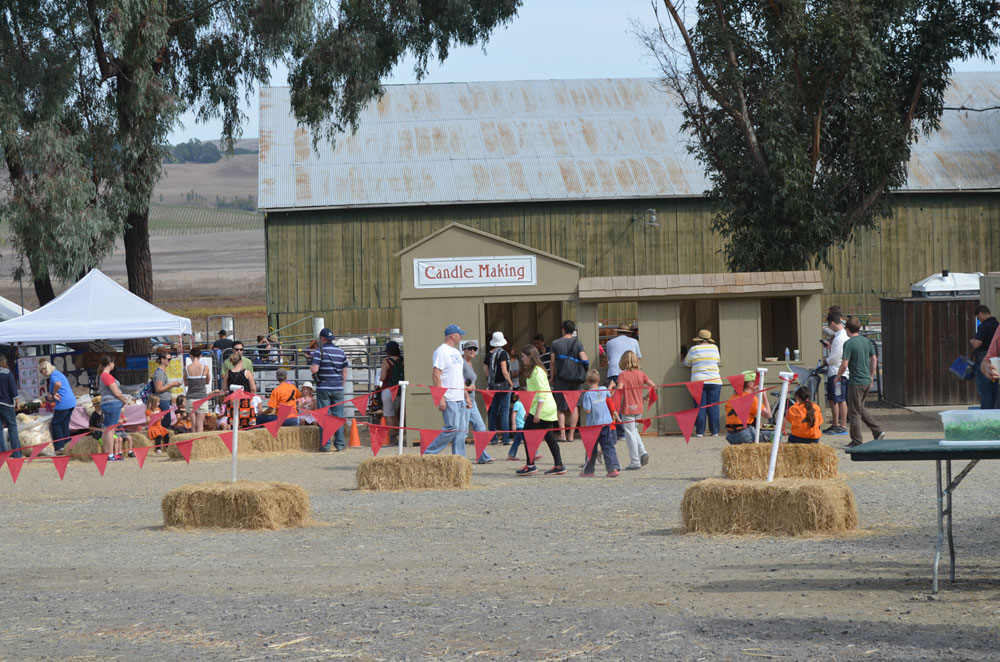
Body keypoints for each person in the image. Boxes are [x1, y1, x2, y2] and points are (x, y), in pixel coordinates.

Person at [516, 344, 565, 475]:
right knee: (549, 437)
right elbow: (534, 393)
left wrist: (537, 413)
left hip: (543, 409)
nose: (522, 359)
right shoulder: (536, 371)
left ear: (530, 357)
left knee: (527, 434)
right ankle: (559, 465)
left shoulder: (537, 372)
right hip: (543, 408)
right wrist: (529, 411)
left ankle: (530, 465)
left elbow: (541, 392)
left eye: (523, 356)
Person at [836, 316, 885, 447]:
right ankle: (877, 431)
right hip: (866, 380)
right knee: (860, 408)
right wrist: (871, 376)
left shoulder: (849, 343)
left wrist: (837, 377)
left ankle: (857, 440)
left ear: (847, 329)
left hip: (856, 381)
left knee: (854, 412)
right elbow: (874, 359)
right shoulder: (866, 341)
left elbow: (844, 364)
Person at [424, 324, 472, 457]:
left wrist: (466, 396)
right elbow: (436, 375)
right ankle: (429, 454)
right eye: (459, 334)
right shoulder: (441, 351)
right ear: (452, 336)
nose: (461, 336)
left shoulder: (456, 352)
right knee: (451, 427)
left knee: (461, 431)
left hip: (460, 397)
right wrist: (440, 398)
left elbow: (459, 377)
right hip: (449, 397)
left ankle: (459, 460)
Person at [613, 350, 655, 470]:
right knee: (634, 431)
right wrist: (646, 397)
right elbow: (654, 386)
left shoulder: (623, 375)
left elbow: (619, 390)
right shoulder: (641, 374)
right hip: (639, 408)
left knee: (630, 434)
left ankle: (635, 461)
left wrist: (613, 397)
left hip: (628, 409)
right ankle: (643, 452)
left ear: (623, 361)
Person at [549, 320, 588, 443]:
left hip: (561, 379)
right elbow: (585, 359)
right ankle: (571, 435)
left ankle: (562, 435)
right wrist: (582, 371)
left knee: (561, 407)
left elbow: (552, 362)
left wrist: (552, 377)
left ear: (563, 329)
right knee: (574, 406)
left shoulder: (555, 343)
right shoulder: (578, 343)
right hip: (576, 379)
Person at [311, 328, 349, 451]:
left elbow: (314, 369)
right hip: (338, 387)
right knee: (338, 417)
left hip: (324, 388)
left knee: (324, 417)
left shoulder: (319, 351)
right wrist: (341, 385)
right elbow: (345, 371)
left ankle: (326, 445)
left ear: (322, 338)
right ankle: (340, 444)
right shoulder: (341, 352)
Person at [580, 369, 621, 477]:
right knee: (608, 446)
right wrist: (611, 386)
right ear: (598, 380)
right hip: (605, 424)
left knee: (591, 448)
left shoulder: (588, 394)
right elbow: (608, 394)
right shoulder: (603, 389)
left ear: (588, 381)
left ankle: (589, 471)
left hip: (593, 426)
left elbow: (587, 410)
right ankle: (613, 468)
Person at [683, 329, 722, 437]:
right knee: (713, 406)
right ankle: (715, 431)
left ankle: (700, 432)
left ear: (699, 339)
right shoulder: (714, 348)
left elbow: (687, 363)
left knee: (699, 406)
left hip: (698, 381)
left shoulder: (694, 349)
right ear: (709, 340)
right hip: (714, 380)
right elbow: (718, 361)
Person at [605, 323, 641, 441]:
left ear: (617, 332)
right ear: (628, 333)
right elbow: (638, 357)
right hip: (630, 372)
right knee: (630, 399)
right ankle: (631, 428)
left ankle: (620, 432)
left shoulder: (610, 343)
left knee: (616, 402)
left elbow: (609, 358)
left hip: (614, 371)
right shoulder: (634, 342)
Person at [461, 341, 493, 463]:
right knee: (463, 431)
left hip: (471, 401)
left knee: (481, 428)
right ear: (464, 350)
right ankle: (461, 459)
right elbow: (459, 382)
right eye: (469, 348)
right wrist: (467, 396)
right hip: (466, 400)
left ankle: (482, 456)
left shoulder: (469, 364)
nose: (472, 351)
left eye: (474, 349)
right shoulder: (462, 363)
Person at [724, 371, 773, 445]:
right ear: (750, 385)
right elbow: (769, 415)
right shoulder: (751, 398)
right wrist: (764, 396)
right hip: (744, 434)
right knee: (775, 434)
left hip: (730, 435)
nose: (759, 384)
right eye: (757, 381)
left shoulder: (732, 397)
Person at [38, 360, 75, 454]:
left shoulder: (53, 376)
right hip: (70, 401)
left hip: (63, 403)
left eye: (41, 371)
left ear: (45, 369)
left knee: (55, 423)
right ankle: (68, 446)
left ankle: (60, 447)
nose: (41, 373)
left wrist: (54, 393)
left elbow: (58, 384)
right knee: (64, 425)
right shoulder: (57, 373)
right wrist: (52, 394)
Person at [484, 331, 514, 445]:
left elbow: (486, 371)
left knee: (493, 410)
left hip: (493, 386)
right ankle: (506, 438)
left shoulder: (488, 354)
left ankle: (493, 438)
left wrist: (491, 381)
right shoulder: (503, 353)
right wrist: (510, 383)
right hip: (504, 385)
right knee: (504, 411)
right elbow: (504, 370)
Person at [98, 356, 129, 461]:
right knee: (111, 430)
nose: (114, 365)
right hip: (113, 403)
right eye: (113, 363)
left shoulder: (101, 376)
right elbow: (116, 392)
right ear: (110, 363)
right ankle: (111, 454)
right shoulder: (107, 376)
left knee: (106, 429)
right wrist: (123, 400)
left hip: (106, 403)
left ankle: (106, 452)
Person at [823, 314, 849, 434]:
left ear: (833, 323)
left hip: (837, 373)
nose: (829, 327)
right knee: (834, 399)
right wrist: (830, 347)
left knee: (839, 399)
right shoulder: (840, 336)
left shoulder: (840, 338)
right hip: (836, 372)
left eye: (829, 324)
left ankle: (842, 425)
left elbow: (835, 357)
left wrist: (826, 360)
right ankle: (835, 424)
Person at [222, 341, 258, 430]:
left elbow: (224, 388)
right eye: (237, 349)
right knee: (247, 426)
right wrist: (251, 397)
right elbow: (253, 389)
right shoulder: (247, 372)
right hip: (245, 400)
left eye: (241, 349)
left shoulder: (228, 373)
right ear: (241, 361)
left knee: (234, 425)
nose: (239, 351)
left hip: (232, 400)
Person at [970, 305, 999, 410]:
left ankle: (986, 413)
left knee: (984, 390)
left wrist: (972, 341)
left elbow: (977, 344)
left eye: (978, 318)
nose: (979, 320)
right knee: (995, 390)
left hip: (984, 360)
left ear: (981, 314)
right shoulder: (997, 325)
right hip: (996, 362)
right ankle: (995, 412)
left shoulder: (984, 326)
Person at [184, 347, 214, 433]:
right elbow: (207, 381)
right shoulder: (205, 368)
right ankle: (199, 440)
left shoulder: (186, 368)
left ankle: (193, 440)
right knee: (200, 424)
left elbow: (186, 383)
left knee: (193, 424)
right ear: (200, 356)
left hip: (190, 398)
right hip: (202, 398)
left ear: (190, 356)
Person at [379, 341, 404, 443]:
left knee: (389, 414)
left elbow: (382, 377)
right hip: (400, 390)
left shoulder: (386, 361)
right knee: (397, 413)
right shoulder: (402, 360)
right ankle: (399, 434)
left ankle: (392, 436)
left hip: (388, 390)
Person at [152, 350, 181, 428]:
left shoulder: (162, 371)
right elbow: (158, 389)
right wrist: (171, 384)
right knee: (166, 423)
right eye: (168, 359)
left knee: (166, 422)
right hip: (162, 400)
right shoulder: (160, 372)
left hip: (164, 399)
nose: (169, 361)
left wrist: (172, 385)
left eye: (170, 359)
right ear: (162, 359)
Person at [0, 355, 20, 459]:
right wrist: (17, 401)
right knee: (12, 428)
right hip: (6, 404)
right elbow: (13, 390)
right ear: (3, 362)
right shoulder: (7, 373)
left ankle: (1, 454)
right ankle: (16, 454)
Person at [507, 392, 526, 460]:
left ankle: (511, 454)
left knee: (517, 441)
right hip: (520, 426)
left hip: (523, 425)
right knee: (527, 440)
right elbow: (514, 414)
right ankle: (535, 453)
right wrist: (514, 424)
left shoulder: (524, 404)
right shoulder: (517, 403)